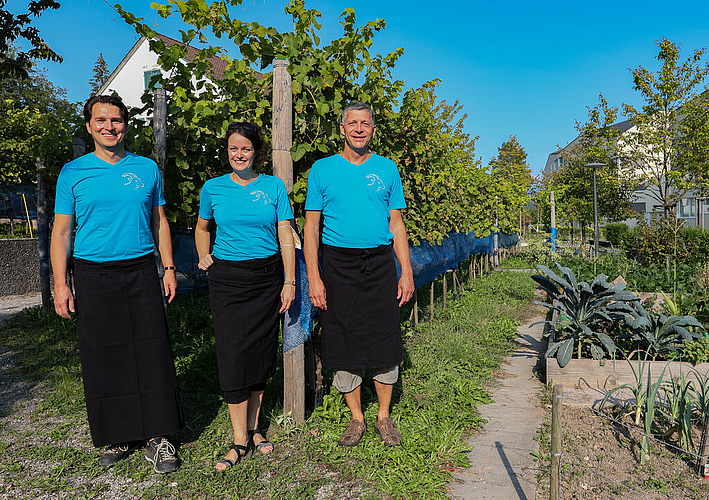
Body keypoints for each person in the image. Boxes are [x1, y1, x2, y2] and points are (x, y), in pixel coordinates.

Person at [51, 95, 184, 473]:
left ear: (126, 125)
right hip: (93, 273)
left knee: (152, 351)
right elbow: (61, 232)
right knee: (103, 355)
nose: (110, 127)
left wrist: (169, 268)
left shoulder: (146, 169)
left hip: (142, 269)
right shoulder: (72, 173)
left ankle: (160, 437)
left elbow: (160, 222)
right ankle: (120, 433)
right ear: (89, 125)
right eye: (102, 120)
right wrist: (61, 284)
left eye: (117, 120)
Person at [304, 102, 414, 447]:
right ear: (342, 128)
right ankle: (356, 417)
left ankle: (383, 417)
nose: (359, 129)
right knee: (341, 338)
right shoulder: (322, 170)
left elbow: (396, 223)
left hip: (380, 264)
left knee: (384, 337)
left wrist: (406, 271)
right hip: (337, 266)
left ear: (373, 130)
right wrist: (315, 277)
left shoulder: (387, 169)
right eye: (353, 123)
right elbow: (311, 228)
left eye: (365, 123)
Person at [195, 121, 295, 470]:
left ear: (257, 152)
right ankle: (238, 438)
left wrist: (290, 280)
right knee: (233, 353)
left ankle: (254, 428)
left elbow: (285, 232)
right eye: (233, 148)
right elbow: (202, 226)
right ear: (228, 151)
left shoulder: (273, 187)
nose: (239, 154)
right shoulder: (213, 188)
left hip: (268, 278)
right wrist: (202, 254)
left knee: (261, 351)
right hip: (228, 280)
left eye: (246, 149)